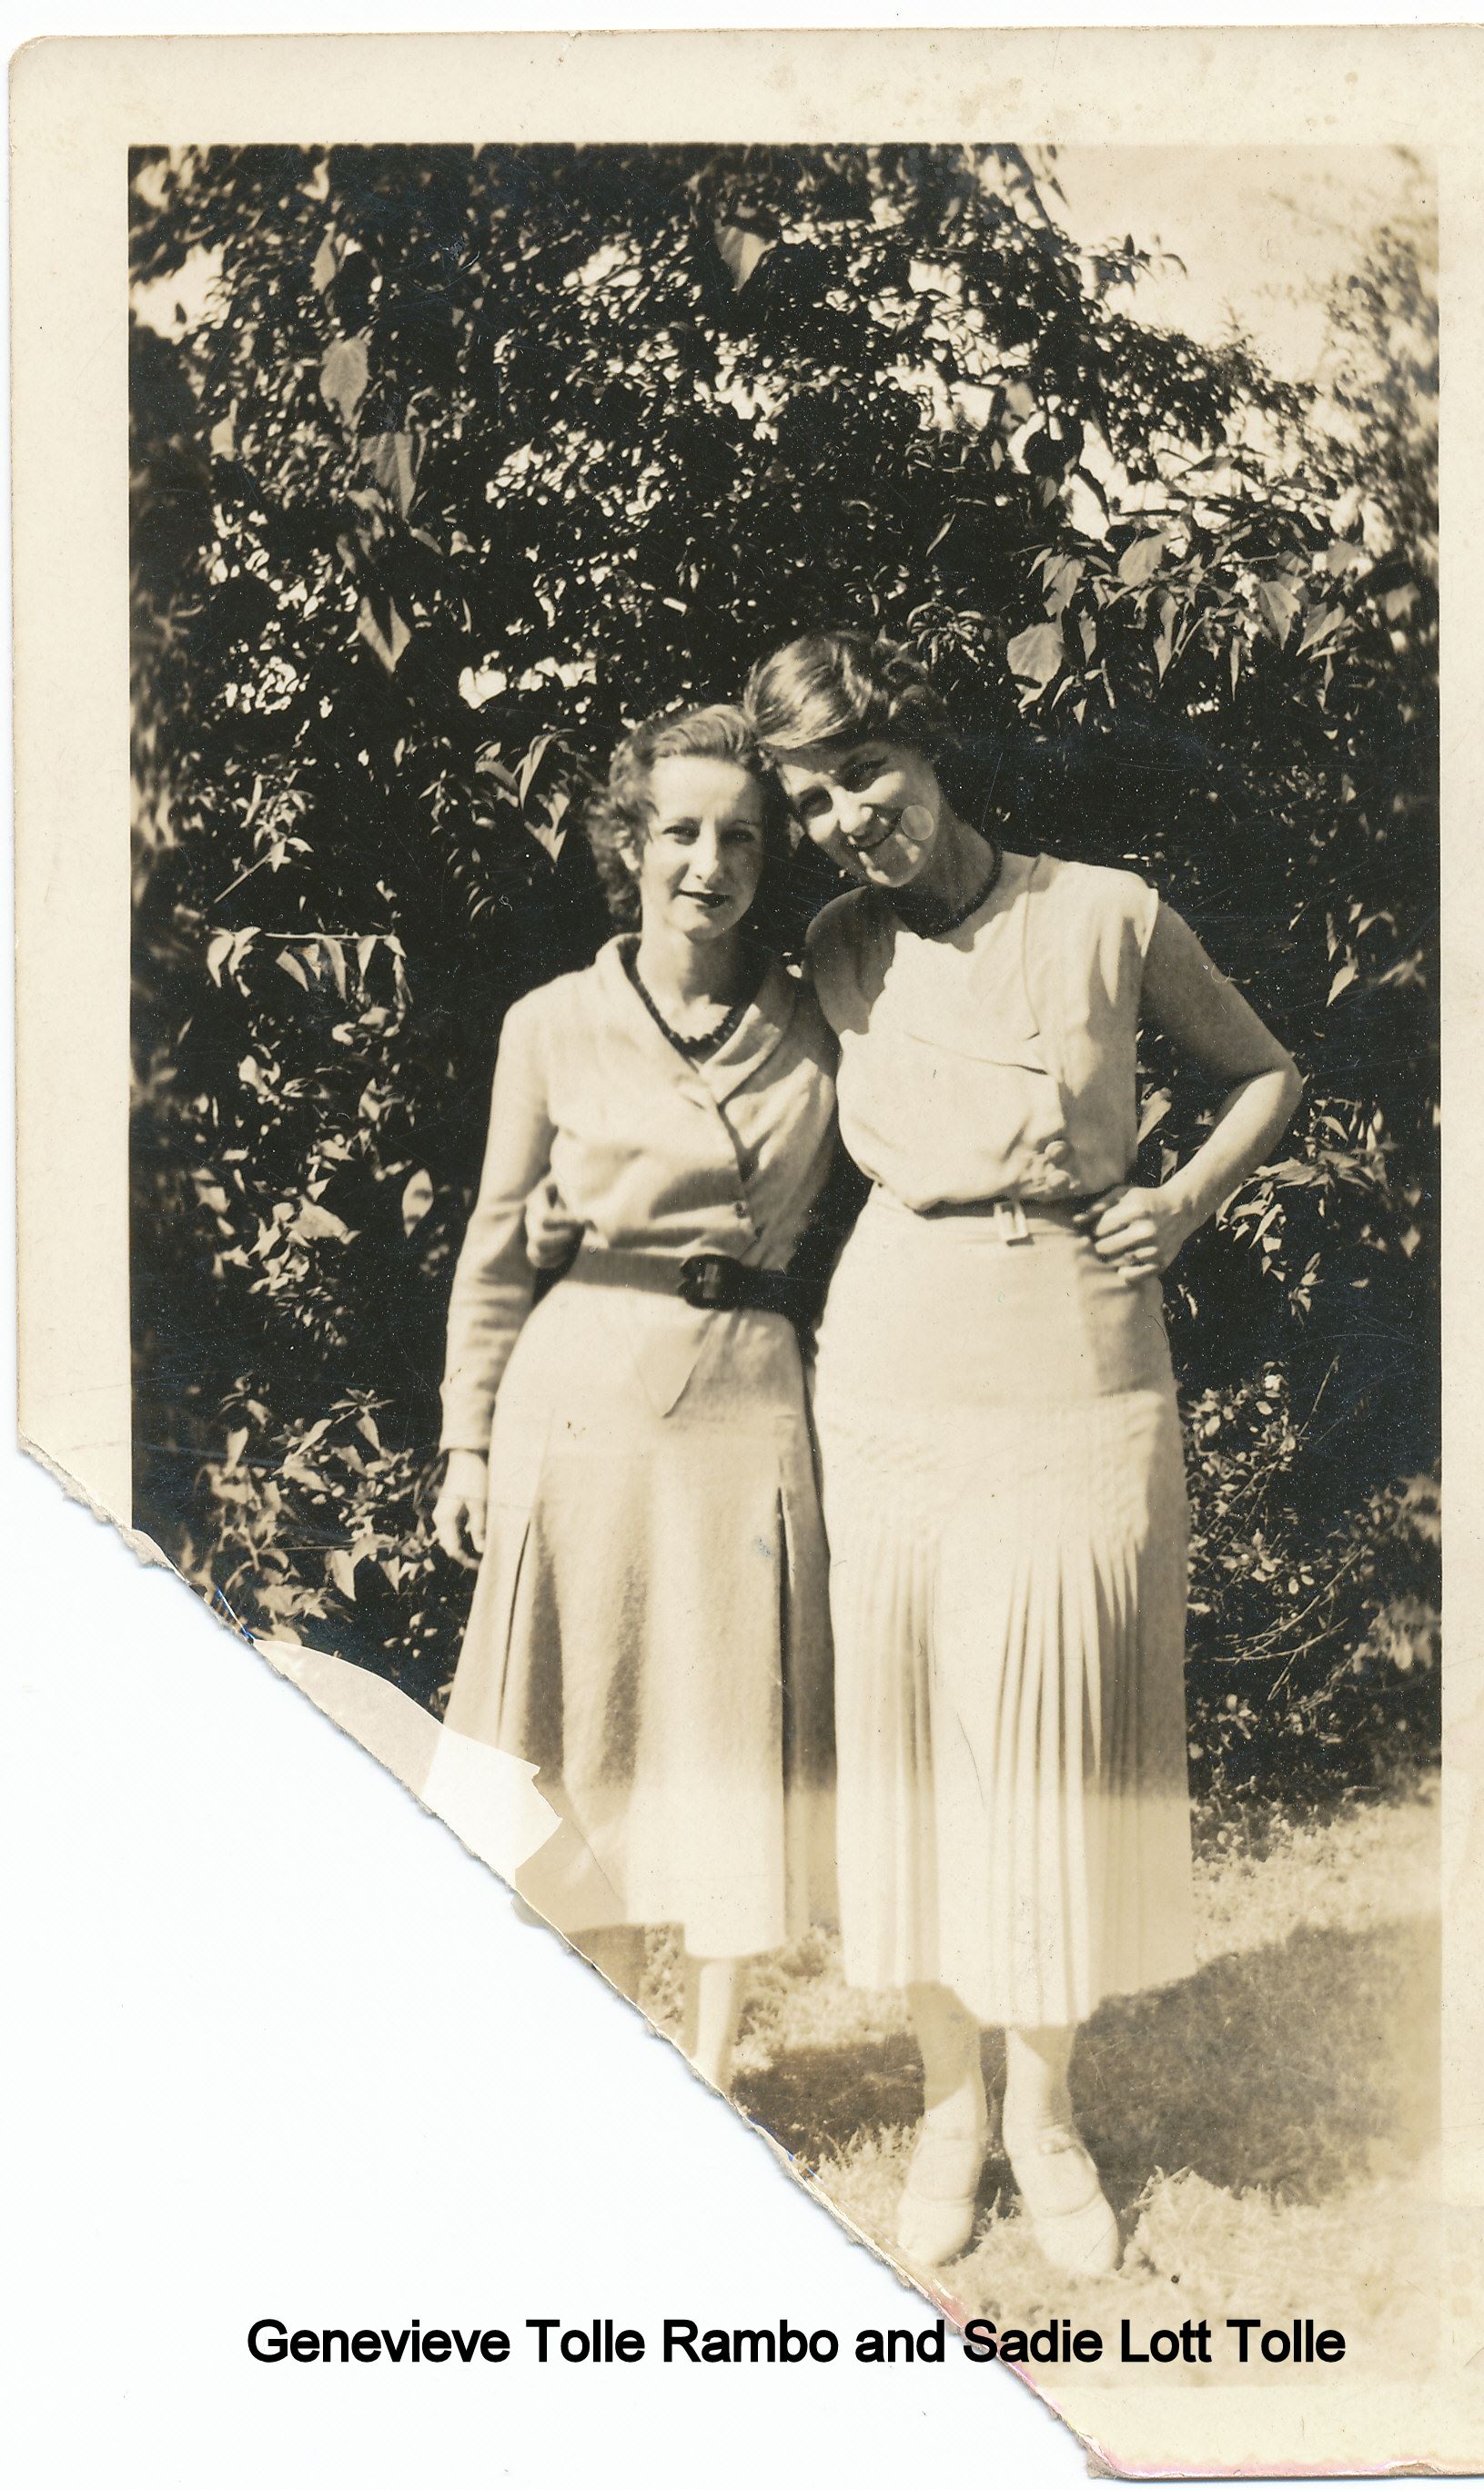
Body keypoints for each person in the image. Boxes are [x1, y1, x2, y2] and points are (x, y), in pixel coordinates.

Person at [741, 630, 1304, 2275]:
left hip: (1079, 1355)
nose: (848, 819)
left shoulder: (1108, 912)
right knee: (916, 1746)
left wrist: (1180, 1204)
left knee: (1056, 1746)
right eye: (811, 802)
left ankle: (1045, 2117)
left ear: (927, 747)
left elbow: (1266, 1073)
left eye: (865, 774)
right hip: (895, 1363)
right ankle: (948, 2110)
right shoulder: (835, 951)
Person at [432, 703, 838, 2090]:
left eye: (740, 837)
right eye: (679, 832)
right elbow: (498, 1243)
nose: (706, 864)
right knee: (585, 1720)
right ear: (630, 842)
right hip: (583, 1392)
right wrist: (467, 1439)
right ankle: (613, 2062)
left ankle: (714, 2071)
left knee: (728, 1723)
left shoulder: (821, 1019)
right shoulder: (551, 1023)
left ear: (769, 856)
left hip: (746, 1396)